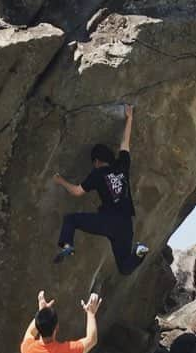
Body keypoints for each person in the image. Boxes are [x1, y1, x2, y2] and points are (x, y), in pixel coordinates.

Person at [52, 104, 148, 275]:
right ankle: (140, 252)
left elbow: (76, 192)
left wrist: (60, 181)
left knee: (71, 219)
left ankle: (67, 245)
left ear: (96, 161)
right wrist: (130, 118)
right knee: (125, 268)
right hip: (126, 225)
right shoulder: (122, 165)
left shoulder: (97, 174)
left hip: (108, 221)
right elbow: (125, 143)